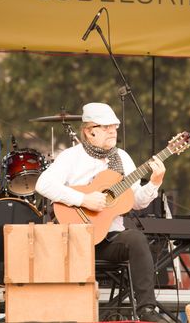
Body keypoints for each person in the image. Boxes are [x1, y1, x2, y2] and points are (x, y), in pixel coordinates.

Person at [36, 102, 168, 322]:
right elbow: (43, 184)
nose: (112, 131)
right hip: (75, 240)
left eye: (114, 127)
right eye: (106, 127)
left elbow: (136, 202)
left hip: (108, 240)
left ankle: (146, 310)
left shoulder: (122, 158)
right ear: (90, 131)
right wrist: (83, 199)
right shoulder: (71, 156)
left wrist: (155, 182)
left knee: (136, 239)